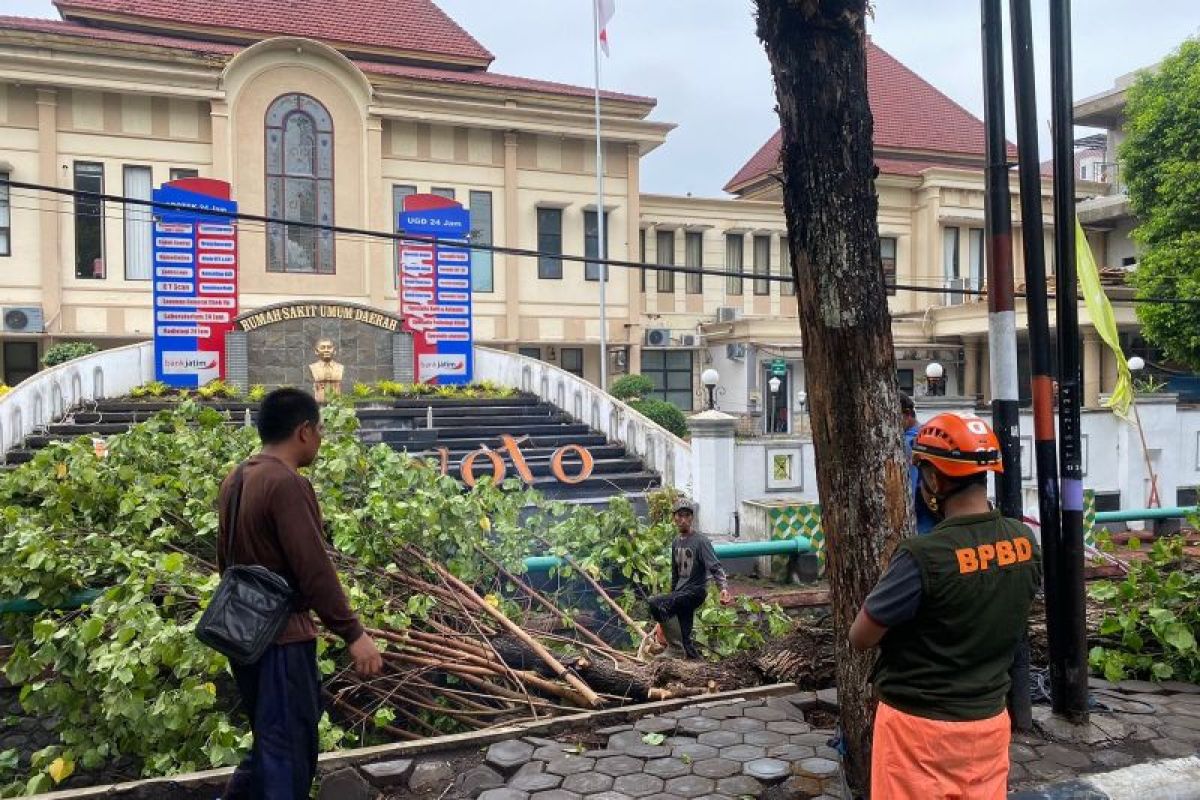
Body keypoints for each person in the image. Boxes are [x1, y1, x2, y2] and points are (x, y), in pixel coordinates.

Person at [850, 413, 1042, 800]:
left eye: (923, 471)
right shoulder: (1024, 542)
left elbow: (860, 637)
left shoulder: (923, 555)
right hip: (987, 725)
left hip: (916, 733)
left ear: (935, 479)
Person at [218, 388, 382, 800]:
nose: (321, 438)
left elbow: (224, 563)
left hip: (243, 635)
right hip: (282, 639)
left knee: (269, 745)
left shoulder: (237, 478)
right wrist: (353, 633)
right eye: (320, 429)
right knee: (288, 753)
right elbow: (314, 568)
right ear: (304, 431)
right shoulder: (286, 483)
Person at [646, 498, 732, 659]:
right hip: (681, 593)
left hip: (695, 592)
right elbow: (675, 574)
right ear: (674, 518)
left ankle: (675, 649)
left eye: (687, 516)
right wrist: (669, 603)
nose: (683, 520)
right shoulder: (676, 542)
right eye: (680, 516)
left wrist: (724, 588)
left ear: (692, 518)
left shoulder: (701, 541)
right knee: (685, 638)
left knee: (654, 602)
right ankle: (696, 664)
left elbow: (715, 566)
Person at [900, 392, 937, 534]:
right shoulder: (929, 434)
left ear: (908, 414)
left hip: (919, 520)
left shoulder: (907, 443)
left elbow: (909, 489)